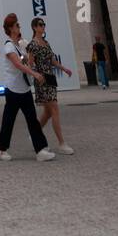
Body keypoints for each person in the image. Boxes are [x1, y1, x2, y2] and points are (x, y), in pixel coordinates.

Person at [0, 14, 54, 162]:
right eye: (16, 25)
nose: (19, 27)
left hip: (24, 89)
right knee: (8, 120)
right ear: (10, 28)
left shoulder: (20, 45)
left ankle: (40, 149)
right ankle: (1, 149)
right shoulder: (8, 46)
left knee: (32, 120)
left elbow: (26, 62)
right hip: (13, 90)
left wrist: (32, 63)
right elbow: (18, 65)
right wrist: (34, 73)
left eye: (18, 25)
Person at [26, 16, 74, 154]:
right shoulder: (32, 45)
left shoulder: (46, 43)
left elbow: (52, 60)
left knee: (47, 113)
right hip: (42, 80)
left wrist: (64, 68)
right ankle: (62, 143)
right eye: (40, 24)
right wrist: (35, 75)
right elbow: (30, 64)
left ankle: (34, 134)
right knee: (54, 109)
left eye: (44, 24)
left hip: (51, 78)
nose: (43, 26)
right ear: (35, 27)